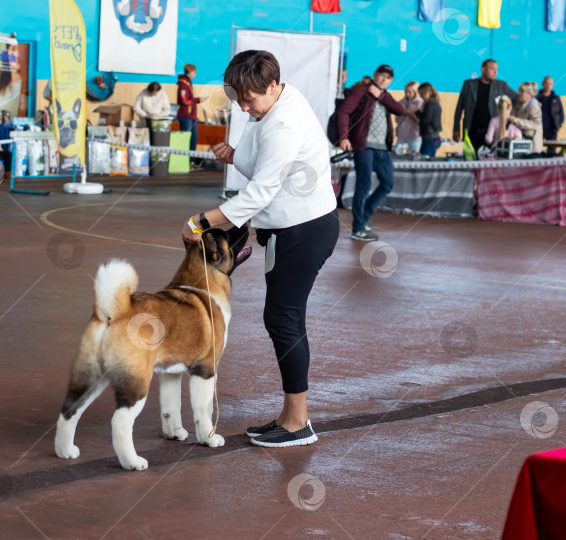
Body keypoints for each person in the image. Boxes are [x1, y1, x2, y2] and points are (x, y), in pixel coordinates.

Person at [181, 50, 338, 448]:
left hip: (303, 230)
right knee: (283, 319)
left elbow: (260, 192)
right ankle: (290, 416)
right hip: (291, 227)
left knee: (283, 320)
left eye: (250, 99)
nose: (244, 106)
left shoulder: (283, 121)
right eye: (238, 98)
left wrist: (201, 221)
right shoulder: (271, 106)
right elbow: (264, 165)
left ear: (272, 85)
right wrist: (236, 155)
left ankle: (298, 423)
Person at [337, 64, 413, 241]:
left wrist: (380, 96)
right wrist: (344, 137)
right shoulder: (362, 90)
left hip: (382, 148)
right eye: (382, 75)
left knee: (387, 183)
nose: (384, 79)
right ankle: (358, 228)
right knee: (363, 185)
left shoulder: (385, 95)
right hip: (364, 146)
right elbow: (344, 111)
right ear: (375, 75)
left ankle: (363, 216)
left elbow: (400, 110)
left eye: (388, 77)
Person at [453, 59, 517, 155]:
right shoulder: (469, 84)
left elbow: (516, 99)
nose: (495, 72)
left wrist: (508, 117)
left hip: (492, 133)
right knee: (470, 160)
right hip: (471, 131)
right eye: (492, 69)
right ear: (483, 69)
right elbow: (459, 107)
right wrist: (456, 128)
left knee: (489, 161)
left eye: (496, 69)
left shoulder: (500, 85)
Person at [0, 42, 25, 118]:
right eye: (13, 49)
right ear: (7, 53)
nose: (17, 55)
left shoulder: (26, 83)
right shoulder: (0, 81)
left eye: (20, 50)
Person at [176, 64, 207, 156]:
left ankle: (191, 161)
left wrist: (198, 99)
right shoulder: (183, 84)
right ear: (189, 72)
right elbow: (184, 100)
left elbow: (190, 99)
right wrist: (197, 100)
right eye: (194, 72)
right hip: (186, 115)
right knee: (186, 138)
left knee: (194, 138)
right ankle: (183, 160)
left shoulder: (189, 83)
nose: (195, 74)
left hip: (192, 115)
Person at [508, 82, 543, 153]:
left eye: (522, 91)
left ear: (530, 94)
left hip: (532, 146)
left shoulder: (534, 106)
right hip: (521, 144)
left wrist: (516, 120)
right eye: (519, 91)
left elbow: (535, 124)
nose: (519, 93)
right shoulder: (519, 105)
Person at [537, 76, 564, 152]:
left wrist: (558, 126)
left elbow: (561, 114)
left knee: (552, 151)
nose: (548, 85)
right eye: (546, 83)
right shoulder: (537, 98)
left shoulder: (556, 98)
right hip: (539, 128)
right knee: (537, 150)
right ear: (543, 84)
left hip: (552, 130)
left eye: (550, 84)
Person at [416, 82, 443, 157]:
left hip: (429, 137)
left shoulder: (429, 104)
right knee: (431, 158)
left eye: (421, 94)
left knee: (425, 160)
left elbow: (426, 120)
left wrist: (418, 113)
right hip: (435, 137)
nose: (421, 96)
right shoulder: (436, 103)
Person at [395, 81, 423, 153]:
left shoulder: (420, 102)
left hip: (414, 137)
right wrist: (401, 112)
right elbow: (397, 120)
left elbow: (419, 121)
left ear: (416, 92)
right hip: (401, 136)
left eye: (410, 92)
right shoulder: (401, 102)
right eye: (406, 92)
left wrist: (409, 113)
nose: (407, 94)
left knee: (413, 160)